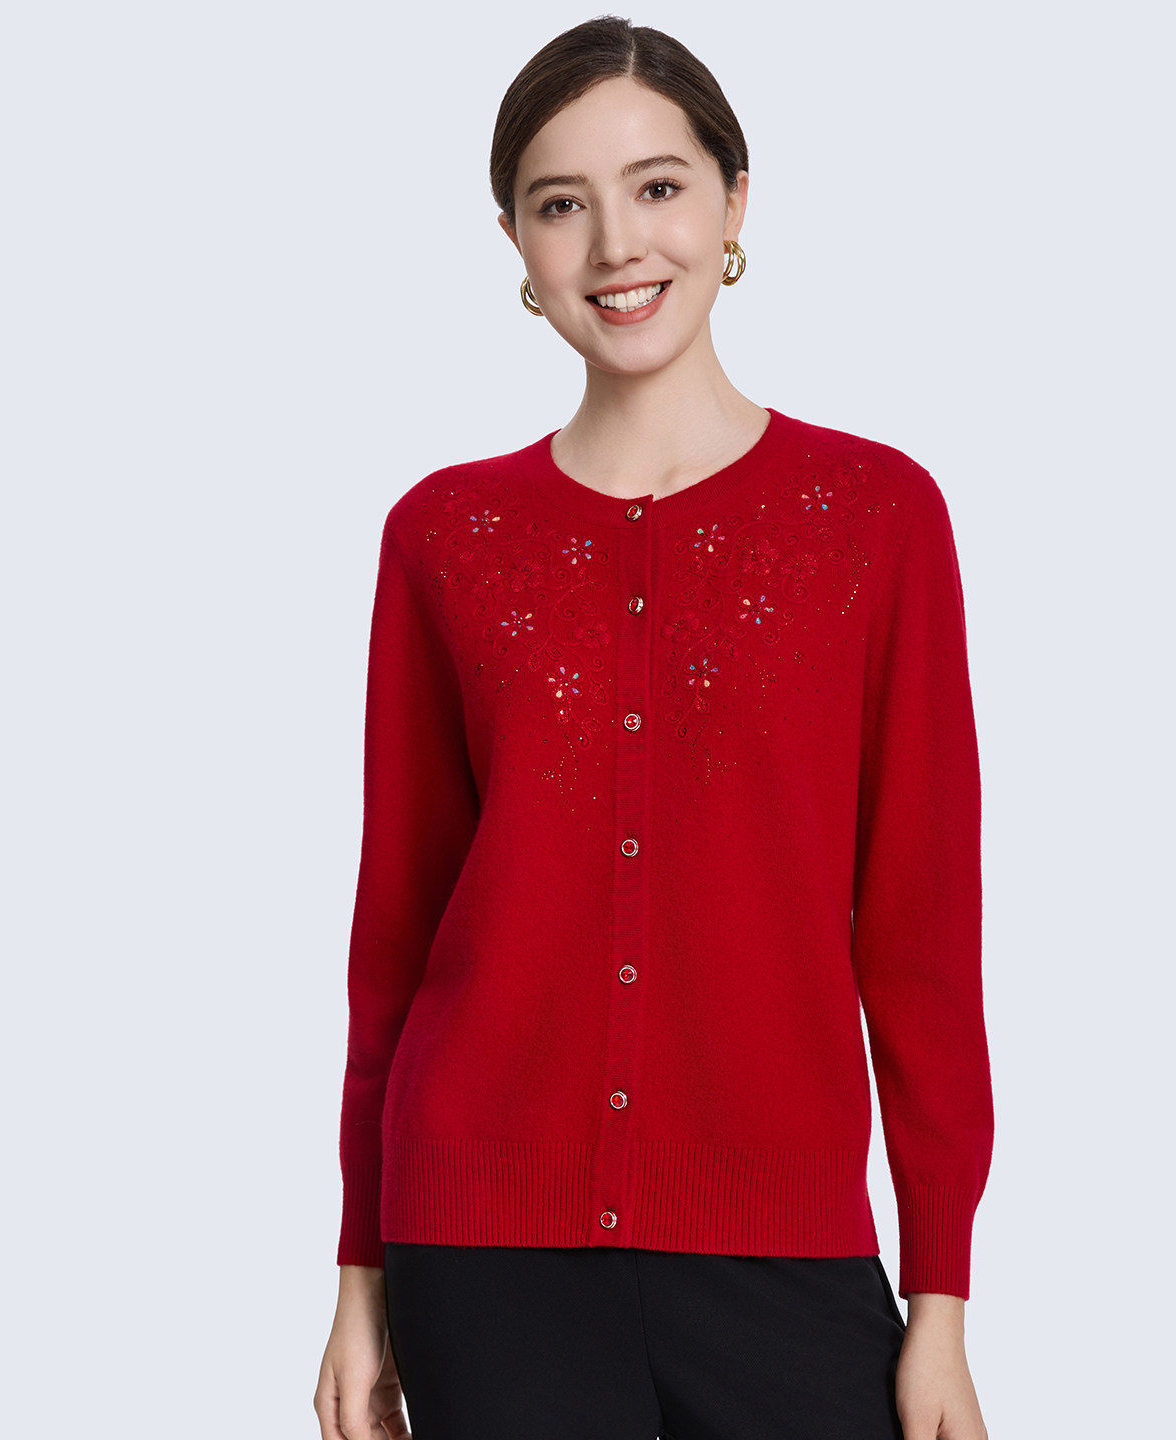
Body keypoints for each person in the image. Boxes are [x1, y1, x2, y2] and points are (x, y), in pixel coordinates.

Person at [314, 16, 994, 1440]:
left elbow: (921, 933)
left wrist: (939, 1296)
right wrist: (359, 1274)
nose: (618, 244)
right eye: (562, 203)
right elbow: (397, 933)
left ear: (736, 201)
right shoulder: (446, 535)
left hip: (785, 1251)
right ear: (516, 241)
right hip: (480, 1253)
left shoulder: (875, 518)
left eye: (659, 186)